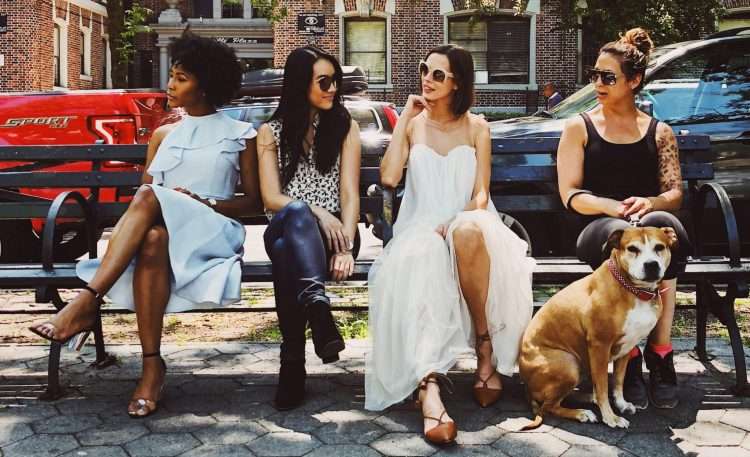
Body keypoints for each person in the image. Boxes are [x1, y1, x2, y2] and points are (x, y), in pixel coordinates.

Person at [29, 32, 261, 417]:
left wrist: (203, 201)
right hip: (166, 233)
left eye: (181, 77)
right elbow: (147, 207)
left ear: (206, 85)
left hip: (212, 232)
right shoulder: (163, 135)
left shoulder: (241, 134)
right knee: (152, 237)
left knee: (149, 195)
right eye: (172, 75)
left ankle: (87, 300)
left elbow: (253, 203)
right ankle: (152, 367)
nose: (170, 84)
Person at [366, 44, 535, 445]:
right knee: (423, 254)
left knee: (468, 231)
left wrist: (457, 218)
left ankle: (485, 348)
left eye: (438, 74)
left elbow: (481, 193)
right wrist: (406, 115)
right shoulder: (413, 124)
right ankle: (429, 387)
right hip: (419, 227)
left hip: (468, 220)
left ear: (457, 82)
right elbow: (389, 179)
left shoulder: (477, 127)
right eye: (425, 70)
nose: (427, 78)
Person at [557, 27, 691, 410]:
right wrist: (609, 206)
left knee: (670, 230)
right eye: (595, 75)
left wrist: (650, 202)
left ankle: (660, 353)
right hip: (595, 223)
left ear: (633, 81)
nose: (598, 83)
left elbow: (674, 192)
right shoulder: (578, 128)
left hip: (647, 225)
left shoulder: (658, 131)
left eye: (607, 77)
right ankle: (627, 357)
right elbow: (570, 194)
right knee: (621, 235)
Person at [256, 46, 361, 411]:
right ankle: (316, 304)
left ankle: (293, 364)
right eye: (323, 82)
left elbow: (349, 192)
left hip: (334, 238)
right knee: (296, 216)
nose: (332, 88)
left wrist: (345, 244)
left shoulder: (346, 127)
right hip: (288, 224)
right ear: (301, 84)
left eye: (335, 81)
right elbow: (272, 198)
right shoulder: (271, 132)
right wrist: (317, 211)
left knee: (288, 255)